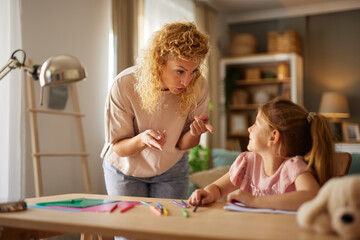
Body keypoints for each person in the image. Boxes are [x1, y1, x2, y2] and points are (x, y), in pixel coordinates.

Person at [101, 21, 213, 201]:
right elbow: (119, 148)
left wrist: (193, 132)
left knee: (168, 228)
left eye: (193, 71)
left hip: (172, 168)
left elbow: (183, 145)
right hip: (125, 169)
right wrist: (142, 139)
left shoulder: (198, 86)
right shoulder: (125, 84)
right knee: (127, 229)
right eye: (180, 71)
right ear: (159, 61)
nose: (187, 81)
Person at [189, 98, 336, 211]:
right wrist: (208, 193)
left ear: (273, 137)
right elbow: (219, 188)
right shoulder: (248, 162)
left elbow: (312, 196)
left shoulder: (293, 167)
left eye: (256, 124)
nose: (249, 129)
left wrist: (254, 201)